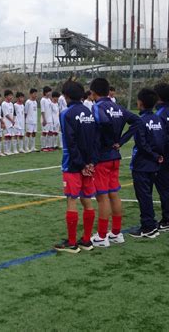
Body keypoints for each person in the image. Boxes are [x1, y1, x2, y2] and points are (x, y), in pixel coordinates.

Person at [89, 78, 141, 247]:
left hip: (103, 157)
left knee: (102, 197)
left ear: (93, 93)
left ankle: (102, 236)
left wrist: (107, 140)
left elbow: (103, 122)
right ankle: (116, 233)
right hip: (115, 156)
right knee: (114, 194)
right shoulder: (118, 107)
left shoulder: (98, 107)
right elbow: (137, 121)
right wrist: (121, 141)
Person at [54, 79, 98, 253]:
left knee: (71, 199)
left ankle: (72, 243)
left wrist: (80, 164)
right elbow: (95, 140)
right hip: (88, 164)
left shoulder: (66, 114)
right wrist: (91, 163)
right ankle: (86, 240)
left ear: (66, 96)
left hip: (73, 164)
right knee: (86, 199)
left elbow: (71, 142)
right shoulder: (89, 112)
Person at [129, 88, 165, 238]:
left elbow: (142, 144)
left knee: (144, 195)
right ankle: (150, 223)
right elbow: (163, 140)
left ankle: (148, 226)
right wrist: (158, 156)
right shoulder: (158, 119)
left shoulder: (140, 121)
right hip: (154, 163)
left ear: (141, 103)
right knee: (148, 194)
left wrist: (154, 155)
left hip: (142, 164)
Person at [153, 83, 169, 231]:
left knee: (165, 188)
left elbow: (159, 138)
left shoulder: (160, 115)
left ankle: (168, 219)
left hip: (166, 156)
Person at [2, 90, 16, 155]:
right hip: (6, 122)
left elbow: (12, 113)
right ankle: (5, 151)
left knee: (10, 136)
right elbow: (6, 114)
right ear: (6, 96)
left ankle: (9, 150)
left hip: (11, 123)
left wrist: (13, 120)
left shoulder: (11, 104)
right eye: (10, 95)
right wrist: (11, 120)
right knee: (6, 136)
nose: (11, 97)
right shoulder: (4, 104)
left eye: (11, 95)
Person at [40, 86, 54, 152]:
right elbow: (42, 110)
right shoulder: (43, 100)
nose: (50, 93)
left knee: (50, 133)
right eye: (49, 92)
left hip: (50, 119)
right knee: (44, 133)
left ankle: (49, 146)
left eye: (50, 92)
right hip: (45, 119)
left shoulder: (49, 100)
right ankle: (43, 147)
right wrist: (44, 119)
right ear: (45, 92)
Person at [25, 88, 38, 152]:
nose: (35, 95)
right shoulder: (28, 102)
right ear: (30, 94)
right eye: (34, 94)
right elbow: (25, 112)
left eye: (36, 94)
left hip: (34, 120)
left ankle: (33, 147)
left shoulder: (35, 102)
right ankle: (26, 147)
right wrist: (25, 120)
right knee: (28, 133)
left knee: (34, 133)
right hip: (29, 121)